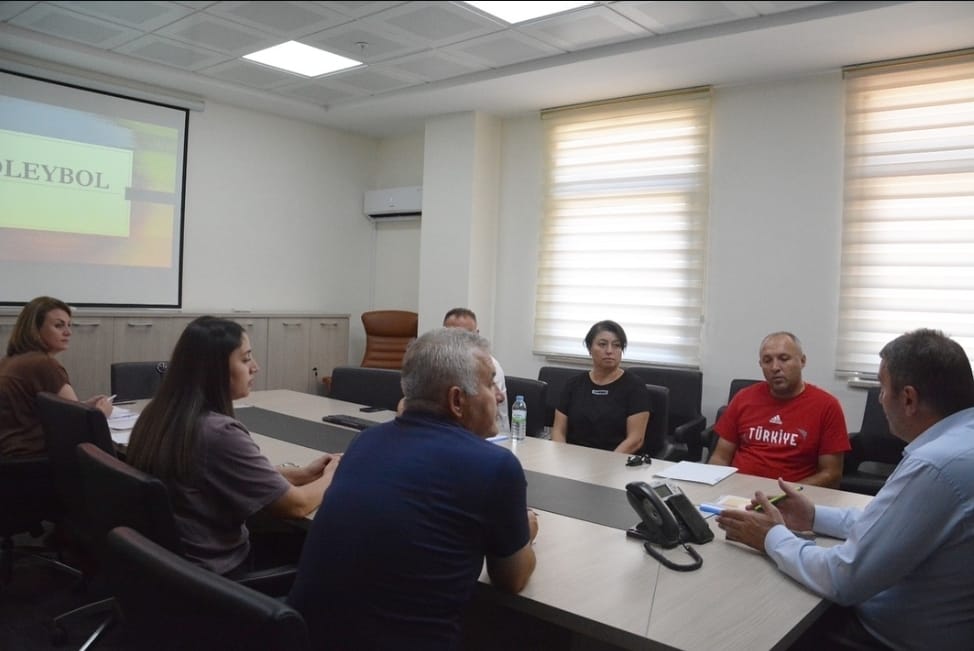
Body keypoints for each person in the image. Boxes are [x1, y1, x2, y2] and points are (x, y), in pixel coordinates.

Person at [716, 328, 974, 650]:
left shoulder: (933, 465)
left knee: (752, 620)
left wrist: (771, 537)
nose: (880, 400)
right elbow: (887, 524)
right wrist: (813, 516)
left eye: (882, 388)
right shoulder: (960, 443)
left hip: (882, 636)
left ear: (908, 399)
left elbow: (842, 578)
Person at [288, 327, 538, 650]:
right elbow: (512, 580)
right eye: (491, 384)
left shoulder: (365, 441)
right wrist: (525, 530)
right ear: (457, 400)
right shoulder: (495, 466)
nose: (500, 396)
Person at [125, 316, 340, 577]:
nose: (255, 367)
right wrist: (333, 475)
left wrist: (302, 474)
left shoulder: (158, 412)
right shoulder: (219, 433)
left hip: (169, 565)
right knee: (333, 551)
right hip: (216, 575)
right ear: (215, 368)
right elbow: (297, 506)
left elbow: (213, 471)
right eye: (246, 359)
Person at [709, 332, 850, 487]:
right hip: (737, 491)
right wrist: (713, 486)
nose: (775, 367)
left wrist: (786, 494)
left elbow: (831, 474)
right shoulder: (743, 398)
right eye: (767, 361)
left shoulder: (827, 406)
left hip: (793, 495)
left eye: (784, 359)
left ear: (802, 361)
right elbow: (720, 457)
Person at [0, 296, 112, 457]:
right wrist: (100, 414)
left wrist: (84, 406)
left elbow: (46, 410)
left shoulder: (9, 360)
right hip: (34, 459)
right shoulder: (43, 364)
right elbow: (80, 426)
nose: (68, 332)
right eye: (59, 325)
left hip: (10, 457)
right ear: (35, 329)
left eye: (69, 325)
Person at [550, 320, 650, 454]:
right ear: (589, 348)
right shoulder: (573, 384)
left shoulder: (635, 386)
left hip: (616, 459)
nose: (609, 351)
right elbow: (558, 431)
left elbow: (635, 439)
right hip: (574, 458)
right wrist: (562, 456)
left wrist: (607, 462)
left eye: (616, 345)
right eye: (602, 344)